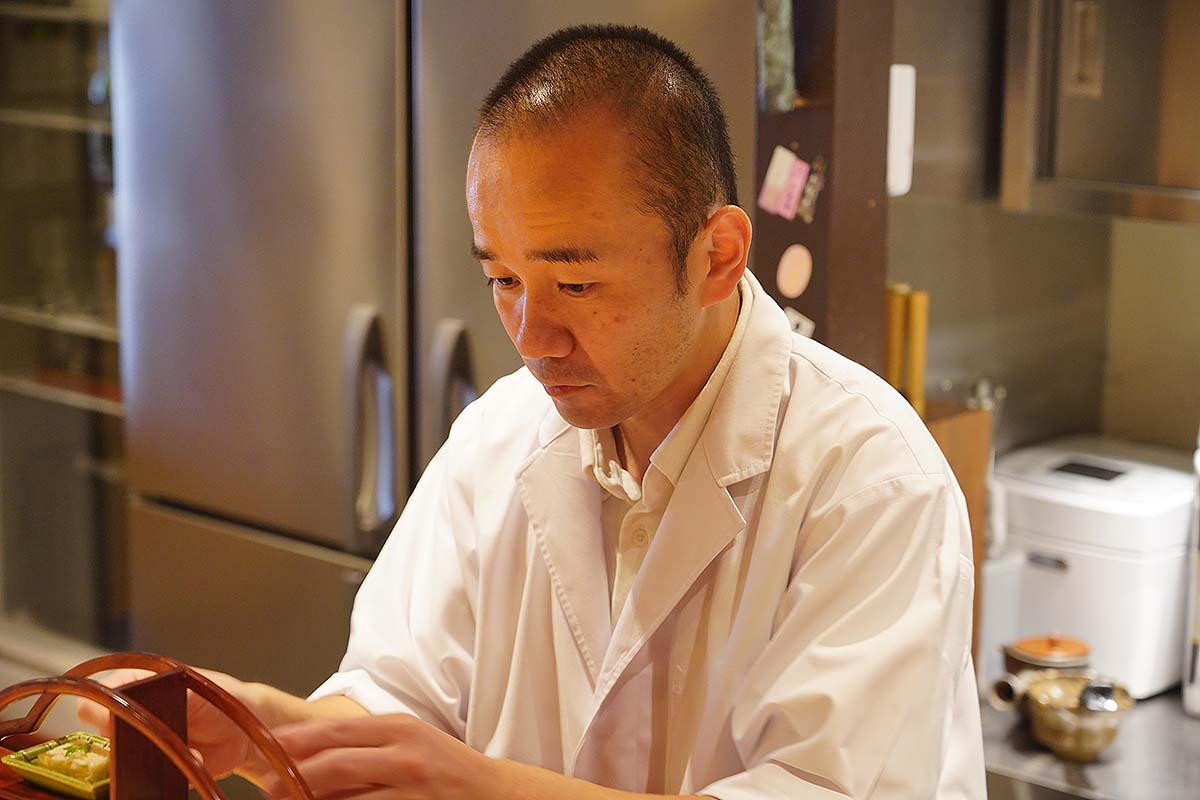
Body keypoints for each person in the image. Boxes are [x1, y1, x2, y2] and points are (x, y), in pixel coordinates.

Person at [86, 24, 986, 799]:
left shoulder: (869, 482)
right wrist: (270, 729)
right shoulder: (501, 435)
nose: (531, 336)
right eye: (504, 280)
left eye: (576, 284)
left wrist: (481, 785)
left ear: (717, 255)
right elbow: (403, 698)